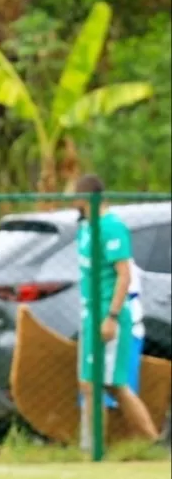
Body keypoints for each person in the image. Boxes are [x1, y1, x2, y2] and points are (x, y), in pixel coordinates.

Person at [72, 174, 158, 443]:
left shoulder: (112, 227)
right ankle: (92, 449)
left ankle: (151, 442)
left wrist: (111, 316)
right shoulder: (86, 228)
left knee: (113, 385)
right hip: (90, 312)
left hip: (109, 315)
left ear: (88, 198)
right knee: (89, 383)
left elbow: (124, 275)